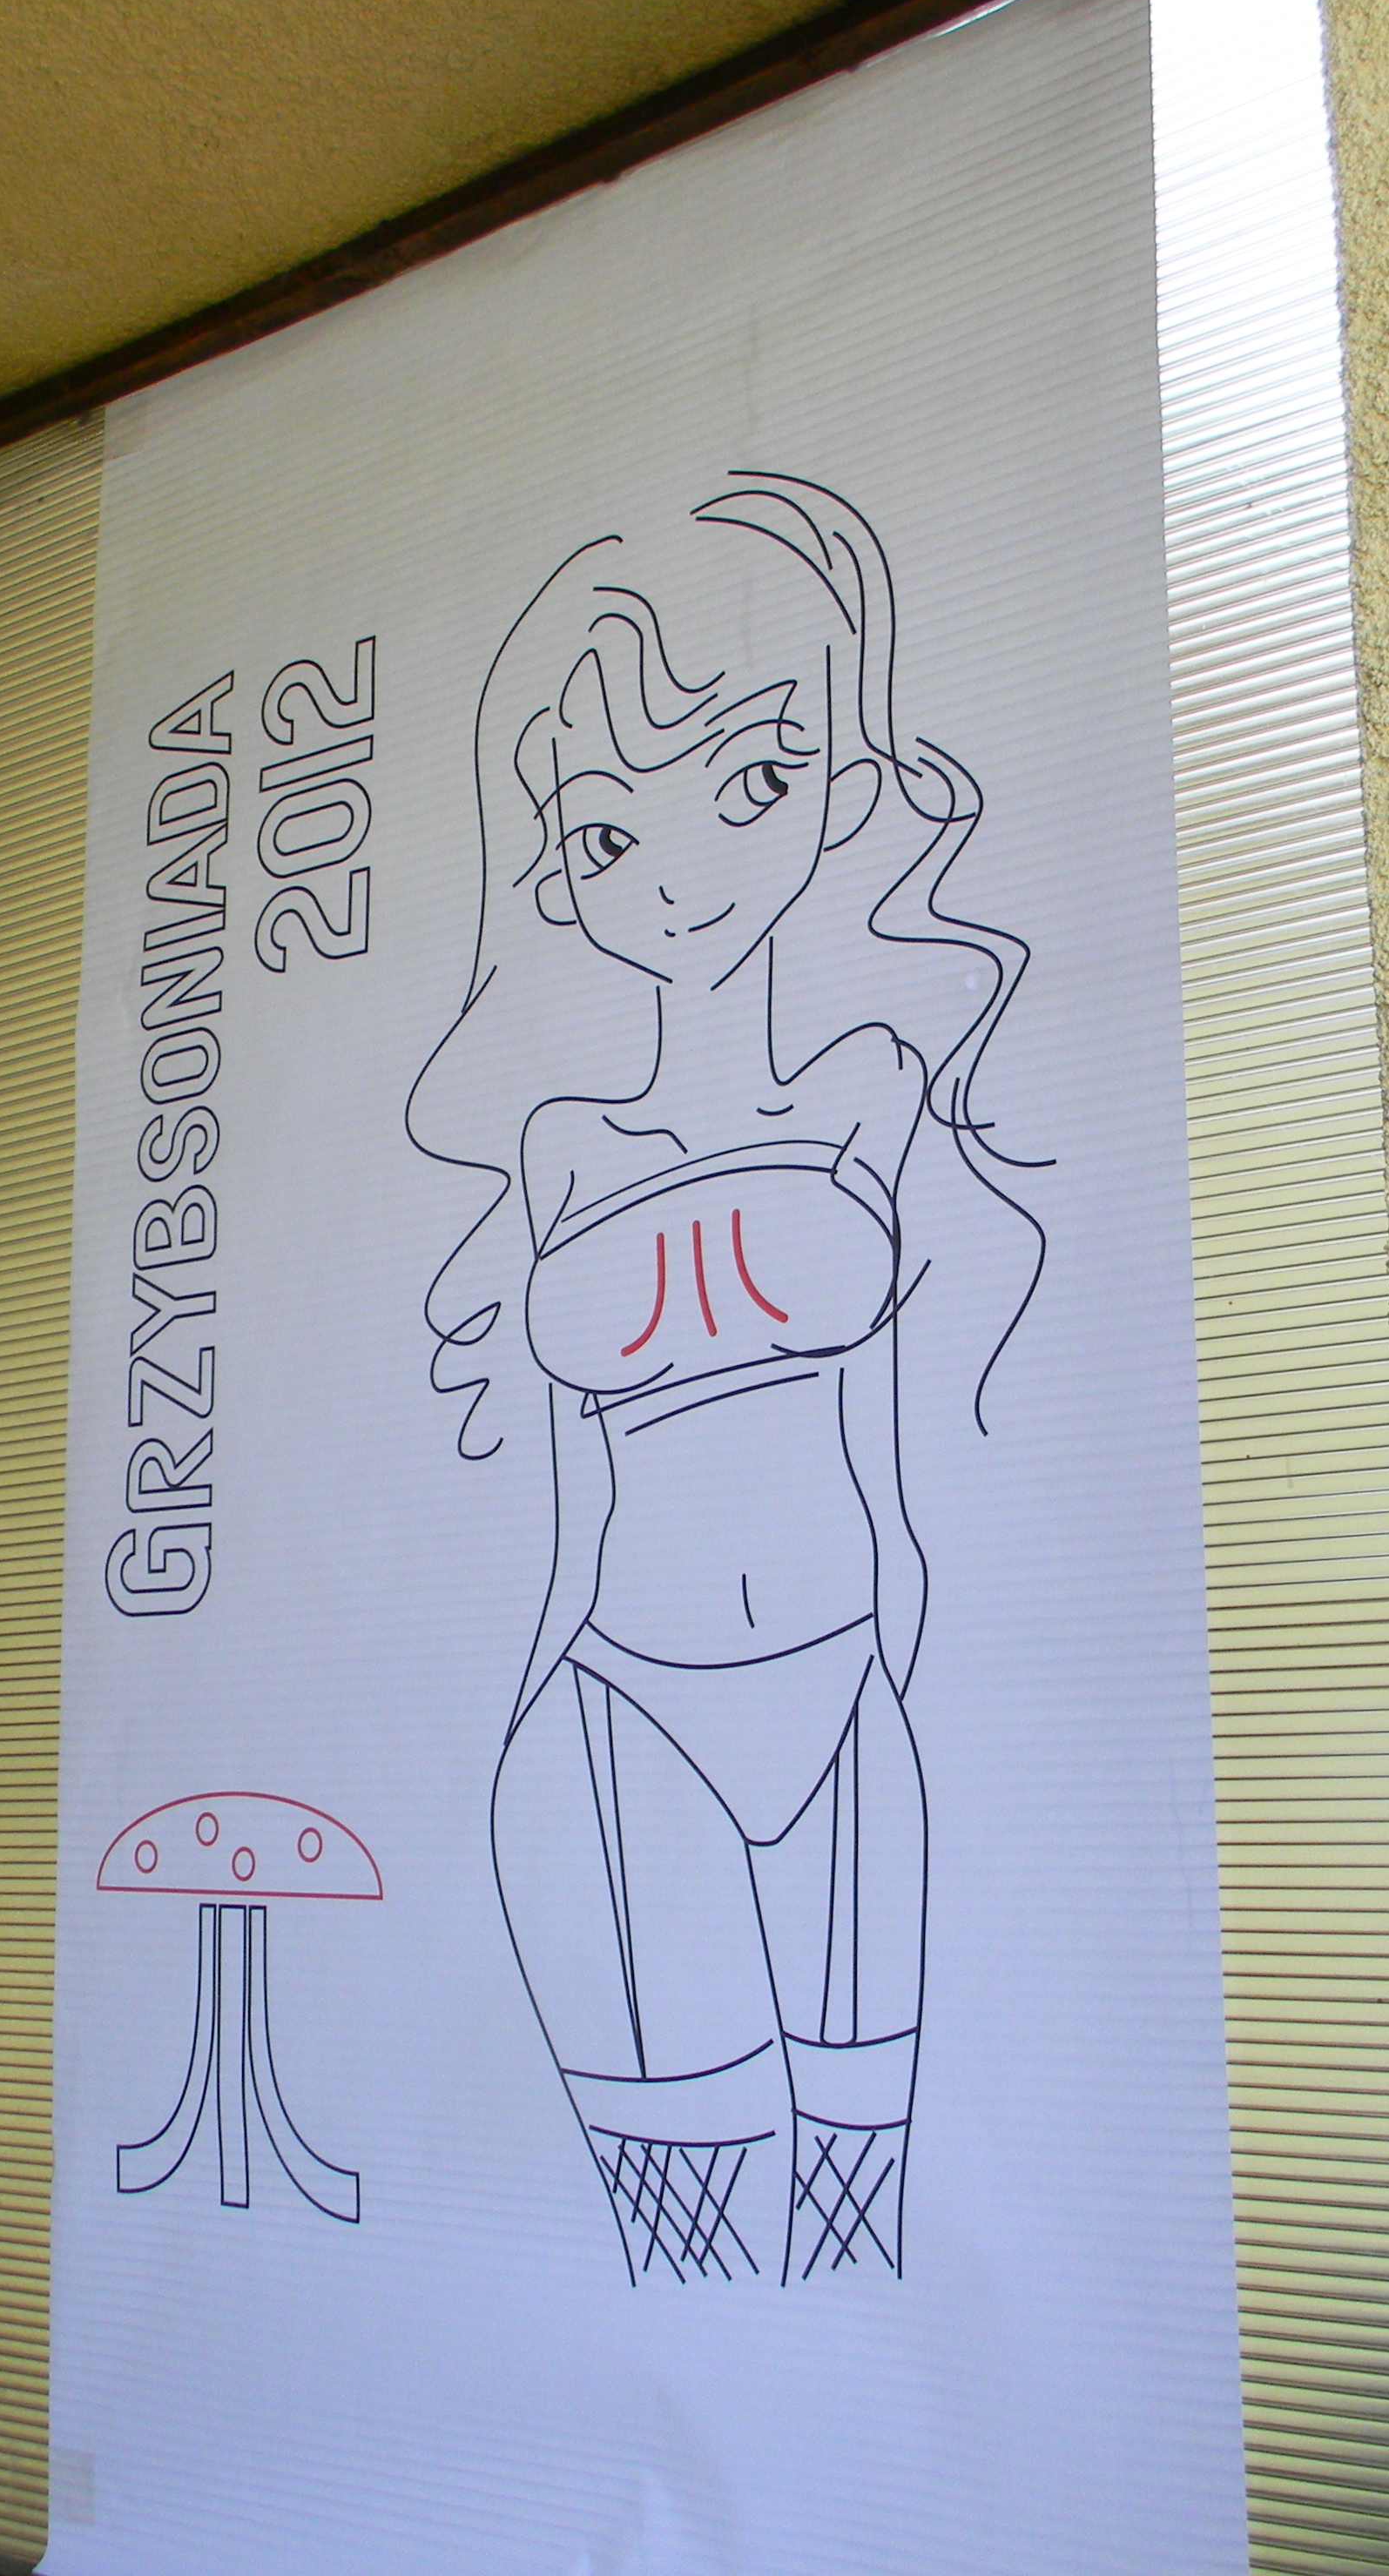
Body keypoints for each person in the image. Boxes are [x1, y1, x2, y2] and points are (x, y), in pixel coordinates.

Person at [405, 474, 1032, 2283]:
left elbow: (885, 1446)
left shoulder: (867, 1087)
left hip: (847, 1700)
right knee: (685, 2246)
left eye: (750, 780)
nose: (676, 872)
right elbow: (567, 1499)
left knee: (853, 2232)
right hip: (614, 1718)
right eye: (606, 830)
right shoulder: (563, 1147)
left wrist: (901, 1624)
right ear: (554, 865)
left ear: (840, 790)